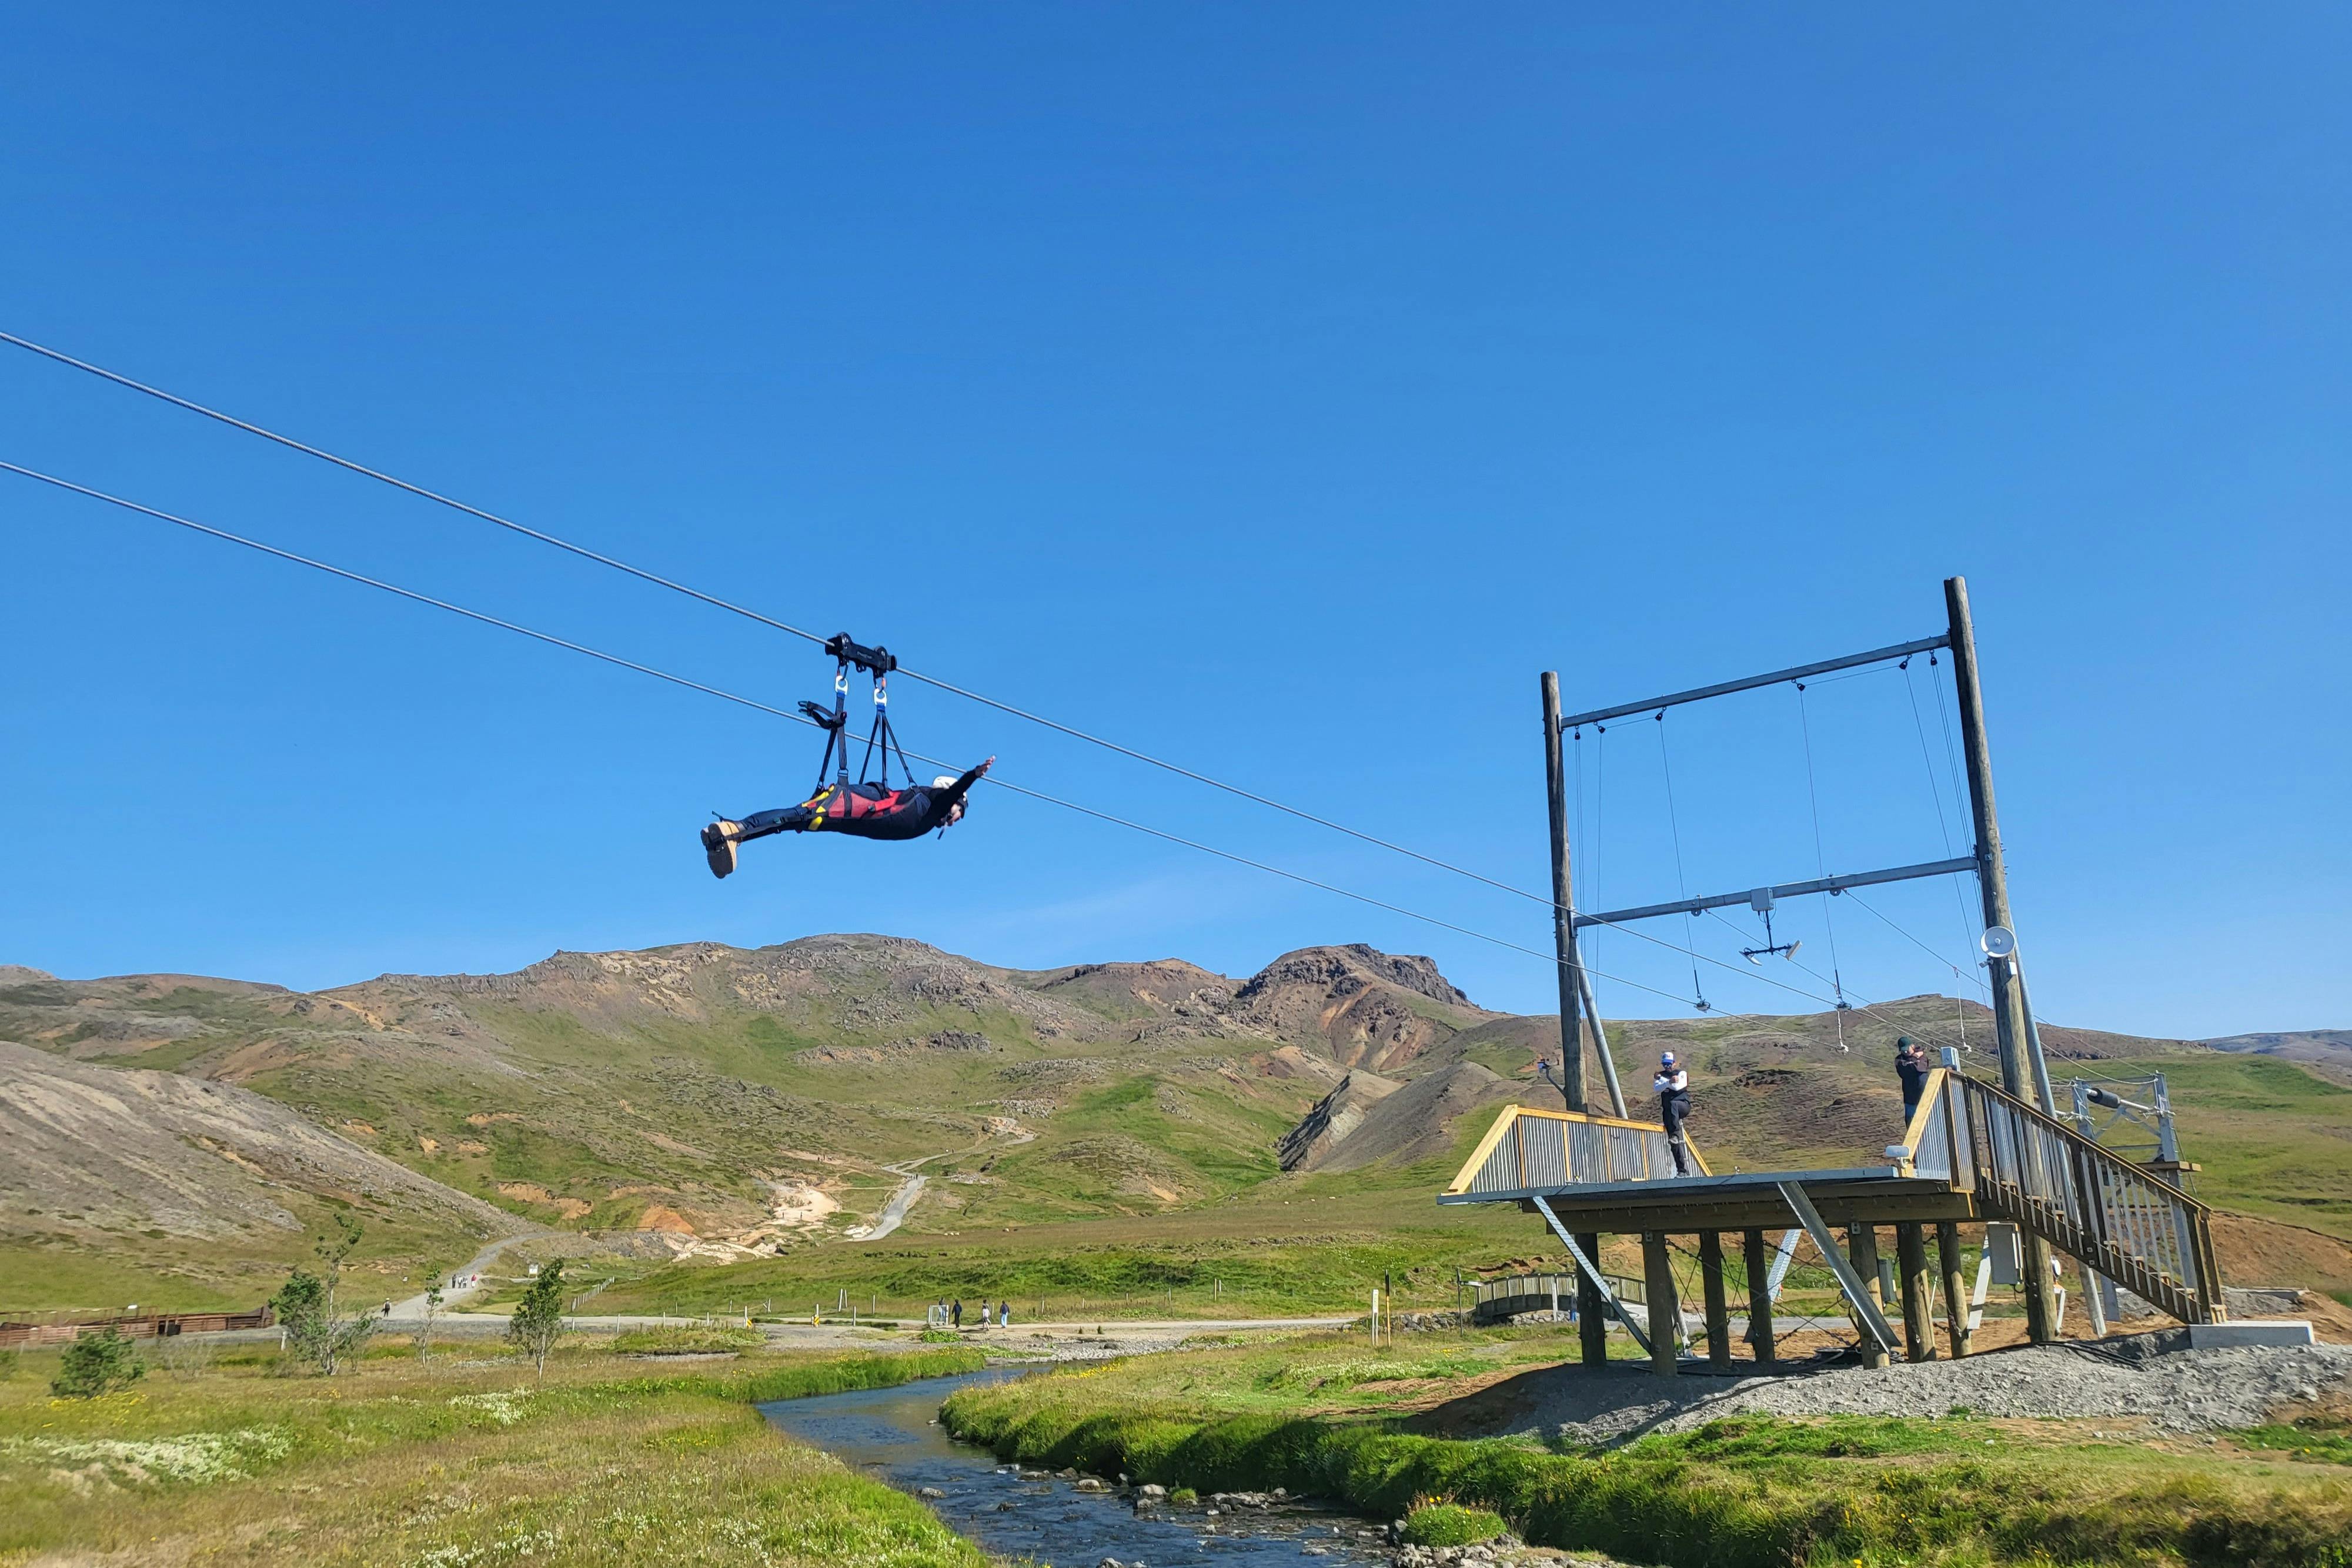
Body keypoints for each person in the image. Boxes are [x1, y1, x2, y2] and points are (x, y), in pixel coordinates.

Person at [701, 758, 995, 878]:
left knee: (799, 820)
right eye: (960, 812)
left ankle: (736, 835)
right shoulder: (933, 803)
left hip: (860, 817)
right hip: (863, 807)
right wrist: (973, 776)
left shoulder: (928, 815)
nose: (957, 820)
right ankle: (734, 830)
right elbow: (955, 790)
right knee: (801, 815)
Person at [1653, 1051, 1693, 1175]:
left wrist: (1664, 1082)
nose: (1667, 1067)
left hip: (1683, 1105)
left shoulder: (1681, 1073)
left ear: (1674, 1064)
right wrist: (1668, 1082)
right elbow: (1656, 1088)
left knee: (1673, 1104)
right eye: (1665, 1064)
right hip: (1669, 1111)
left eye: (1669, 1064)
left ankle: (1675, 1135)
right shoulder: (1661, 1076)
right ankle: (1682, 1169)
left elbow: (1678, 1087)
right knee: (1673, 1142)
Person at [1895, 1035, 1930, 1126]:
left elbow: (1919, 1069)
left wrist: (1911, 1062)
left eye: (1907, 1049)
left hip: (1925, 1099)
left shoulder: (1923, 1058)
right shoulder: (1899, 1060)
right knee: (1911, 1125)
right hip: (1910, 1100)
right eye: (1903, 1050)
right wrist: (1915, 1058)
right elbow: (1905, 1069)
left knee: (1927, 1124)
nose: (1905, 1052)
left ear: (1912, 1046)